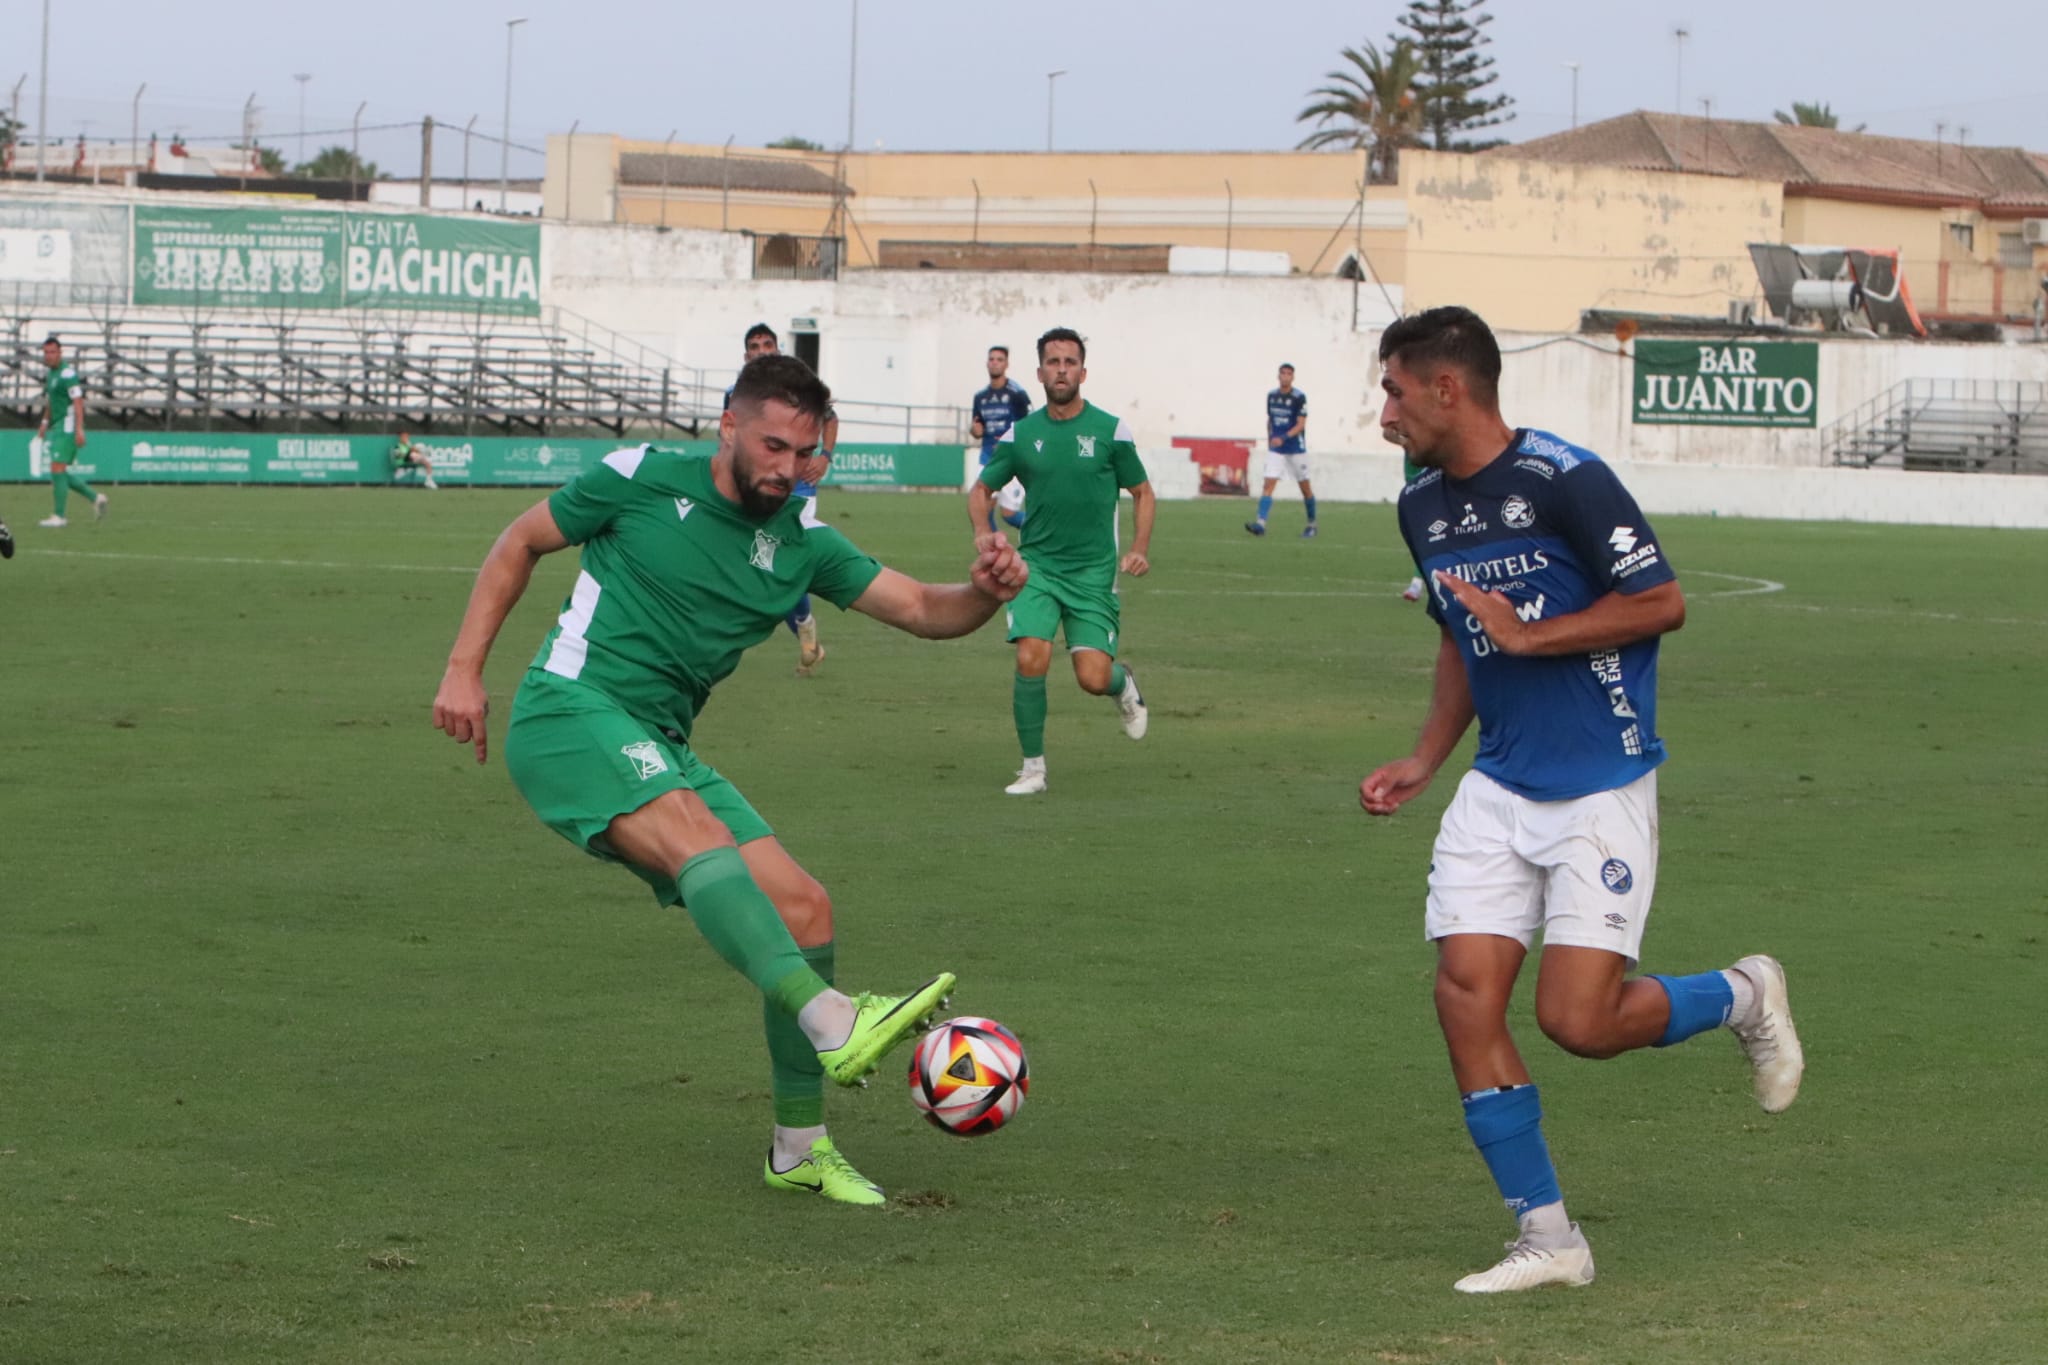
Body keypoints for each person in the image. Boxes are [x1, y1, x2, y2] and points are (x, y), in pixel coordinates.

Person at [432, 354, 1028, 1205]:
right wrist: (464, 669)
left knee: (803, 905)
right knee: (699, 840)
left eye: (804, 452)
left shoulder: (802, 545)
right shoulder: (640, 476)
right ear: (728, 428)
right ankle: (832, 1019)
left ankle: (798, 1147)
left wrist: (985, 591)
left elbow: (927, 610)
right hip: (571, 711)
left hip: (660, 743)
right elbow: (520, 540)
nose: (787, 467)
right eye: (773, 445)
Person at [1357, 306, 1804, 1294]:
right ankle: (1549, 1237)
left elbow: (1659, 603)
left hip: (1599, 781)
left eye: (1392, 389)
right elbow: (1458, 635)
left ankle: (1738, 994)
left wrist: (1528, 636)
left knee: (1579, 1022)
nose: (1380, 409)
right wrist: (1427, 755)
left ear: (1446, 387)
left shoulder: (1566, 480)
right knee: (1462, 995)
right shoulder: (1418, 505)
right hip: (1496, 785)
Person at [969, 327, 1153, 796]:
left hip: (1093, 573)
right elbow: (981, 490)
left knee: (1092, 677)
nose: (1062, 370)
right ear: (1039, 372)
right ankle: (1033, 769)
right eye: (1053, 362)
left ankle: (1122, 683)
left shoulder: (1110, 430)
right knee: (1032, 654)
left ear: (1083, 372)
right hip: (1037, 568)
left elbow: (1142, 492)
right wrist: (983, 531)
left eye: (1070, 362)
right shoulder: (1022, 433)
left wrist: (1139, 547)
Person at [725, 323, 835, 676]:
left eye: (767, 344)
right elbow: (728, 440)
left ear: (778, 348)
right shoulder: (735, 394)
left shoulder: (797, 390)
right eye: (754, 346)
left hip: (797, 489)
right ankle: (805, 630)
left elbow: (829, 418)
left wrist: (824, 457)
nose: (761, 350)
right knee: (762, 563)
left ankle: (803, 630)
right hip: (754, 488)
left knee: (772, 561)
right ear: (746, 356)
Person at [37, 336, 107, 529]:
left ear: (60, 353)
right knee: (58, 470)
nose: (49, 356)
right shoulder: (51, 374)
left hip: (68, 425)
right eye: (46, 352)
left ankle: (59, 516)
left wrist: (79, 429)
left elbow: (78, 402)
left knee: (57, 469)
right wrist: (44, 421)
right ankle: (95, 497)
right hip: (58, 425)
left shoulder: (67, 373)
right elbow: (51, 400)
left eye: (52, 352)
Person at [1244, 363, 1315, 539]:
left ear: (1293, 377)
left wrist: (1283, 437)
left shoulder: (1299, 397)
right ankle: (1260, 524)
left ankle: (1312, 524)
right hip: (1276, 449)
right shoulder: (1272, 396)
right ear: (1278, 376)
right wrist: (1271, 439)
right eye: (1282, 373)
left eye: (1288, 374)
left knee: (1305, 488)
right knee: (1268, 485)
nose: (1285, 376)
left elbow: (1301, 424)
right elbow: (1270, 420)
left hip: (1295, 449)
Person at [969, 345, 1032, 532]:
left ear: (1006, 364)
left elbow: (1029, 425)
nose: (995, 363)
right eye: (992, 359)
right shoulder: (980, 397)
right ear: (987, 363)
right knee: (982, 507)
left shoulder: (1016, 394)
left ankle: (1049, 531)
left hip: (1011, 459)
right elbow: (977, 427)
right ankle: (993, 555)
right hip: (988, 458)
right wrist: (974, 430)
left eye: (999, 359)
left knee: (1009, 515)